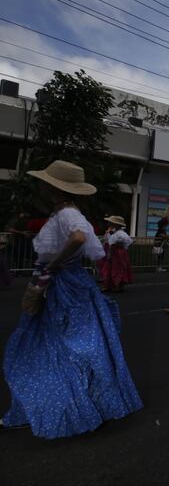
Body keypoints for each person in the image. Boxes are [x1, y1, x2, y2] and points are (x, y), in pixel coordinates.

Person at [2, 160, 142, 438]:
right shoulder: (66, 213)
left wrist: (55, 263)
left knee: (62, 344)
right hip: (69, 283)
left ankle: (72, 401)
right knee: (68, 343)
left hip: (65, 283)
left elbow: (78, 238)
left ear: (53, 187)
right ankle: (86, 399)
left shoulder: (67, 214)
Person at [101, 215, 133, 292]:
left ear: (115, 224)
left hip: (117, 253)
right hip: (116, 252)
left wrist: (115, 249)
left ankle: (117, 285)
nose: (109, 224)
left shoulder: (120, 234)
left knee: (117, 268)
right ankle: (111, 285)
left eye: (111, 222)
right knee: (111, 268)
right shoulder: (116, 233)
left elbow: (126, 242)